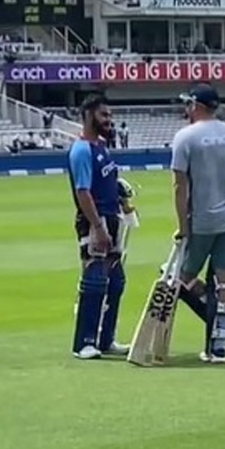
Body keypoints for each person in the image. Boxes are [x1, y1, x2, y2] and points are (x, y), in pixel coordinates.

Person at [171, 84, 225, 363]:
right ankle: (220, 345)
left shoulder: (185, 137)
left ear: (196, 105)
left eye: (188, 104)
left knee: (178, 280)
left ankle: (224, 330)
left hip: (203, 219)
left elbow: (179, 186)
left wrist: (183, 225)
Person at [67, 94, 130, 360]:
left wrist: (122, 198)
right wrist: (98, 226)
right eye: (104, 115)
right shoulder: (82, 150)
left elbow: (104, 182)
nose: (108, 120)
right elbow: (83, 192)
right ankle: (84, 343)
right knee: (94, 279)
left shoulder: (102, 145)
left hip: (112, 217)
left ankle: (106, 339)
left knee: (116, 281)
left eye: (110, 115)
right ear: (89, 115)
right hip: (95, 221)